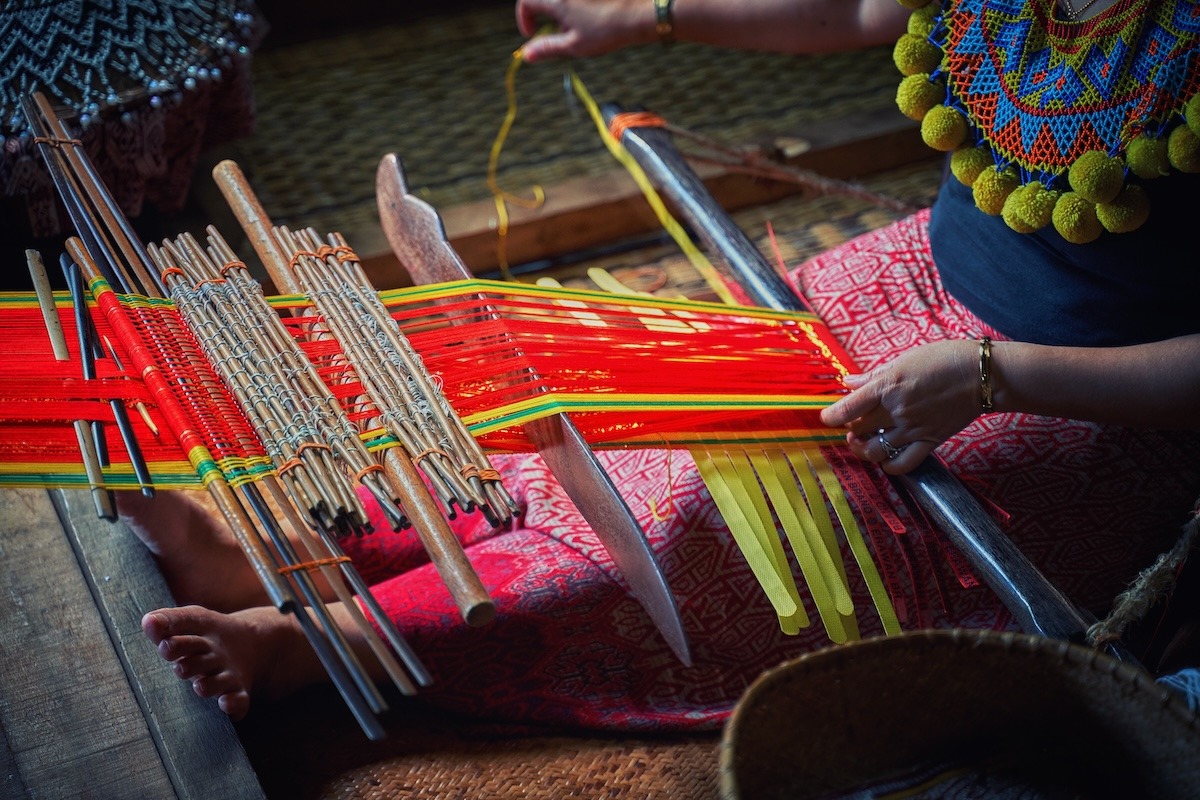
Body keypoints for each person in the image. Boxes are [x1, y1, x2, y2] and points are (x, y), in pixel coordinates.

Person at [125, 0, 1200, 730]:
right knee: (614, 401)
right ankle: (289, 543)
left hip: (1083, 394)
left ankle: (310, 640)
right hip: (904, 277)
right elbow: (877, 8)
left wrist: (994, 375)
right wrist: (642, 11)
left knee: (704, 520)